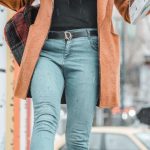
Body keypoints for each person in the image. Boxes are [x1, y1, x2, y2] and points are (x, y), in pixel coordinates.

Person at [0, 0, 132, 149]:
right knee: (44, 119)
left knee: (78, 136)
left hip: (87, 51)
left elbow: (129, 9)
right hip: (45, 48)